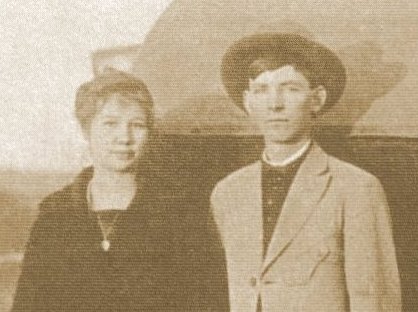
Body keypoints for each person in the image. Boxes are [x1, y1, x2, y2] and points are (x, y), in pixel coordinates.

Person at [210, 33, 402, 311]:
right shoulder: (227, 192)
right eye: (262, 90)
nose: (275, 104)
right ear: (248, 102)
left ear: (317, 99)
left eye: (290, 88)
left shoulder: (356, 188)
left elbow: (373, 300)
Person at [12, 68, 183, 311]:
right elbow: (28, 304)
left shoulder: (177, 213)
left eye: (137, 125)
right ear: (86, 130)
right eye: (110, 124)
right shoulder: (54, 214)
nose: (124, 137)